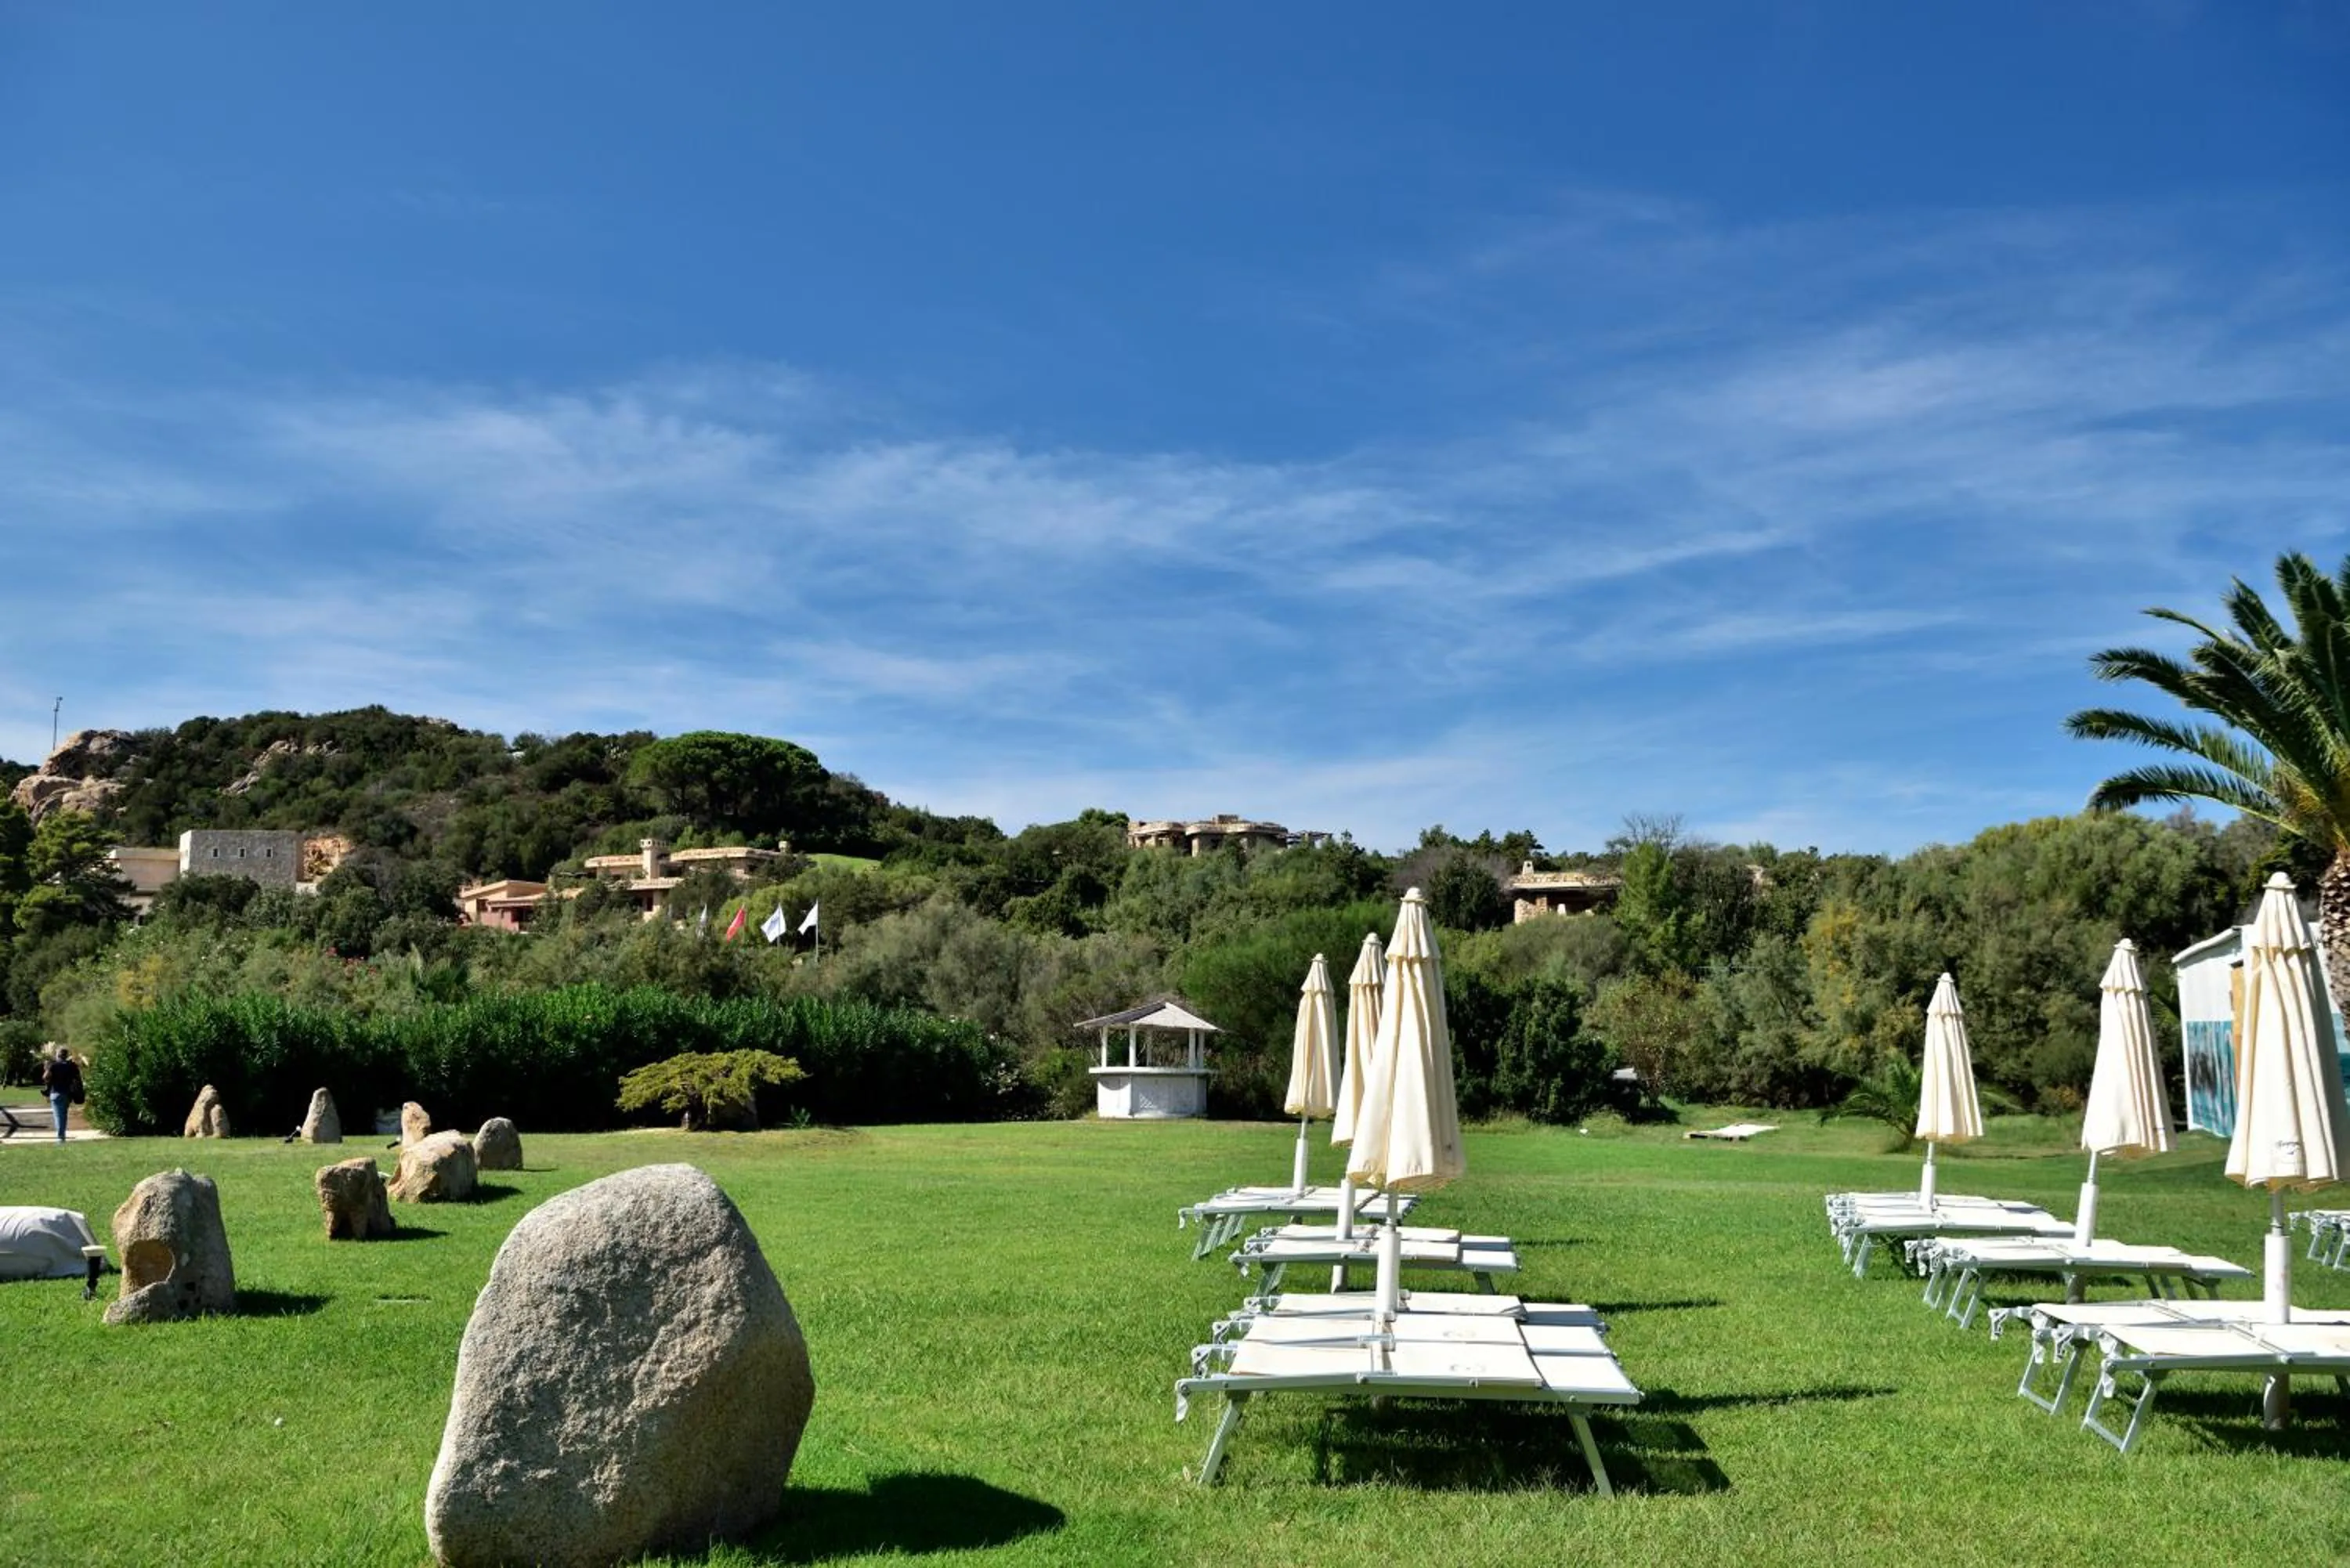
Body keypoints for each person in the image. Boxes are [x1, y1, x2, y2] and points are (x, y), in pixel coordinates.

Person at [38, 1047, 82, 1144]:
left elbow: (45, 1077)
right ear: (66, 1055)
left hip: (56, 1092)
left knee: (58, 1116)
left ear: (58, 1055)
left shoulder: (54, 1065)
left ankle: (60, 1138)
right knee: (64, 1115)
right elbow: (77, 1078)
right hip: (67, 1093)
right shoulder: (71, 1066)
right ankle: (62, 1136)